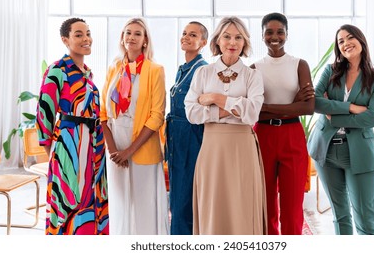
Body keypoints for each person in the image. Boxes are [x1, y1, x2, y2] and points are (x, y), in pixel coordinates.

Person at [184, 16, 267, 235]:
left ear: (245, 42)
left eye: (238, 37)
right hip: (212, 147)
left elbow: (252, 114)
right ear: (218, 41)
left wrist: (215, 98)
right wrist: (232, 109)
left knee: (242, 204)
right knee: (213, 204)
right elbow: (192, 113)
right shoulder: (203, 73)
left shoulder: (253, 75)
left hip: (243, 147)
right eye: (227, 36)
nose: (233, 42)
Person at [307, 24, 374, 235]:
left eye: (349, 38)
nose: (345, 43)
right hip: (325, 150)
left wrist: (333, 114)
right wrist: (351, 108)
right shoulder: (330, 71)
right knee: (340, 216)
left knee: (366, 220)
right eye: (340, 41)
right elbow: (314, 102)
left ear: (361, 40)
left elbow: (372, 118)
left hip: (359, 154)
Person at [36, 17, 109, 235]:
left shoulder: (87, 73)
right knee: (68, 200)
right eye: (79, 35)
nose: (86, 39)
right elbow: (44, 113)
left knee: (93, 198)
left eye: (88, 33)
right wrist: (56, 155)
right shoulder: (57, 70)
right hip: (69, 145)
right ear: (65, 40)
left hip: (94, 145)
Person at [100, 17, 169, 235]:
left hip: (141, 143)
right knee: (120, 202)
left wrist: (129, 151)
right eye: (128, 32)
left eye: (137, 33)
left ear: (145, 40)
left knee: (144, 203)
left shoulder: (155, 70)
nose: (131, 37)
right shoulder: (114, 68)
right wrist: (113, 150)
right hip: (114, 140)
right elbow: (102, 111)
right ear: (122, 37)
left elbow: (157, 115)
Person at [251, 12, 315, 235]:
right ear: (262, 35)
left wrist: (266, 107)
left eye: (280, 32)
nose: (274, 36)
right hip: (263, 136)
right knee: (266, 201)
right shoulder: (254, 68)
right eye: (269, 32)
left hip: (292, 136)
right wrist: (291, 106)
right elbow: (252, 113)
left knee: (292, 203)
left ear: (287, 34)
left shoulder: (300, 65)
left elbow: (308, 107)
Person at [165, 21, 208, 235]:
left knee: (184, 203)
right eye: (184, 33)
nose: (186, 37)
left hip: (192, 141)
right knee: (177, 201)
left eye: (193, 35)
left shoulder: (203, 70)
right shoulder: (182, 70)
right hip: (176, 142)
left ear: (203, 42)